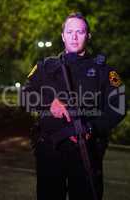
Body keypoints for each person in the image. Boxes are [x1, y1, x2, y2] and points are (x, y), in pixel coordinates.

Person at [21, 12, 126, 200]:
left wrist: (92, 127)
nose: (75, 37)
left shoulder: (104, 70)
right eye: (70, 32)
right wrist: (48, 103)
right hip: (50, 151)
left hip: (87, 150)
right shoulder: (45, 67)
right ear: (63, 36)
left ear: (88, 35)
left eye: (80, 32)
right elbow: (24, 96)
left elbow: (119, 107)